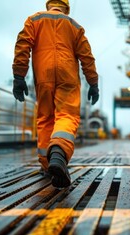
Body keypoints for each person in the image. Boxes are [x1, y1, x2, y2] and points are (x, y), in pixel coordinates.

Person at [12, 0, 99, 188]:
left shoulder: (34, 20)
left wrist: (19, 76)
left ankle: (46, 164)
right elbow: (87, 57)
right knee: (66, 115)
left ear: (49, 5)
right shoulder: (75, 26)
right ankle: (58, 153)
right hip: (67, 78)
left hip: (43, 78)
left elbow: (22, 45)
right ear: (66, 7)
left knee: (45, 118)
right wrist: (93, 83)